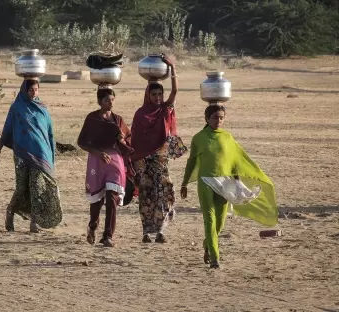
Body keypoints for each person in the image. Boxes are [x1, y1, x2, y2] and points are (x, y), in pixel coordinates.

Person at [180, 104, 278, 269]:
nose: (218, 120)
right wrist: (184, 183)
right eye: (214, 117)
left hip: (225, 183)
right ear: (206, 118)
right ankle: (214, 257)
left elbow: (234, 161)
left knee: (221, 221)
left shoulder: (228, 137)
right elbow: (191, 162)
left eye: (221, 118)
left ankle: (208, 244)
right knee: (209, 220)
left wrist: (238, 182)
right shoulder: (199, 138)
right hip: (206, 181)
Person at [0, 79, 62, 233]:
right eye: (31, 90)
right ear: (24, 90)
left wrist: (51, 155)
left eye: (36, 90)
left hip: (41, 153)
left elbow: (49, 133)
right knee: (22, 187)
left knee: (37, 186)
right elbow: (7, 130)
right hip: (21, 154)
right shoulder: (16, 108)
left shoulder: (43, 109)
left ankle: (34, 223)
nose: (34, 93)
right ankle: (10, 212)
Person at [131, 55, 185, 244]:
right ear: (148, 95)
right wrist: (136, 165)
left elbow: (176, 91)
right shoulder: (140, 114)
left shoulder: (165, 110)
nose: (157, 98)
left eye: (159, 95)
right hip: (144, 163)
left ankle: (161, 231)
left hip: (161, 161)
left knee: (164, 194)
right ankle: (146, 233)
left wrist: (172, 68)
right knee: (146, 197)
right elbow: (135, 141)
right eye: (154, 95)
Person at [77, 88, 134, 247]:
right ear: (99, 101)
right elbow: (81, 142)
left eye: (112, 100)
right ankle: (92, 226)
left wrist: (121, 140)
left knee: (112, 197)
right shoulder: (92, 118)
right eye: (107, 100)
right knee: (96, 201)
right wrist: (98, 153)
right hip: (97, 161)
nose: (110, 103)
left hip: (115, 162)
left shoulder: (118, 120)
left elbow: (128, 141)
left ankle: (108, 235)